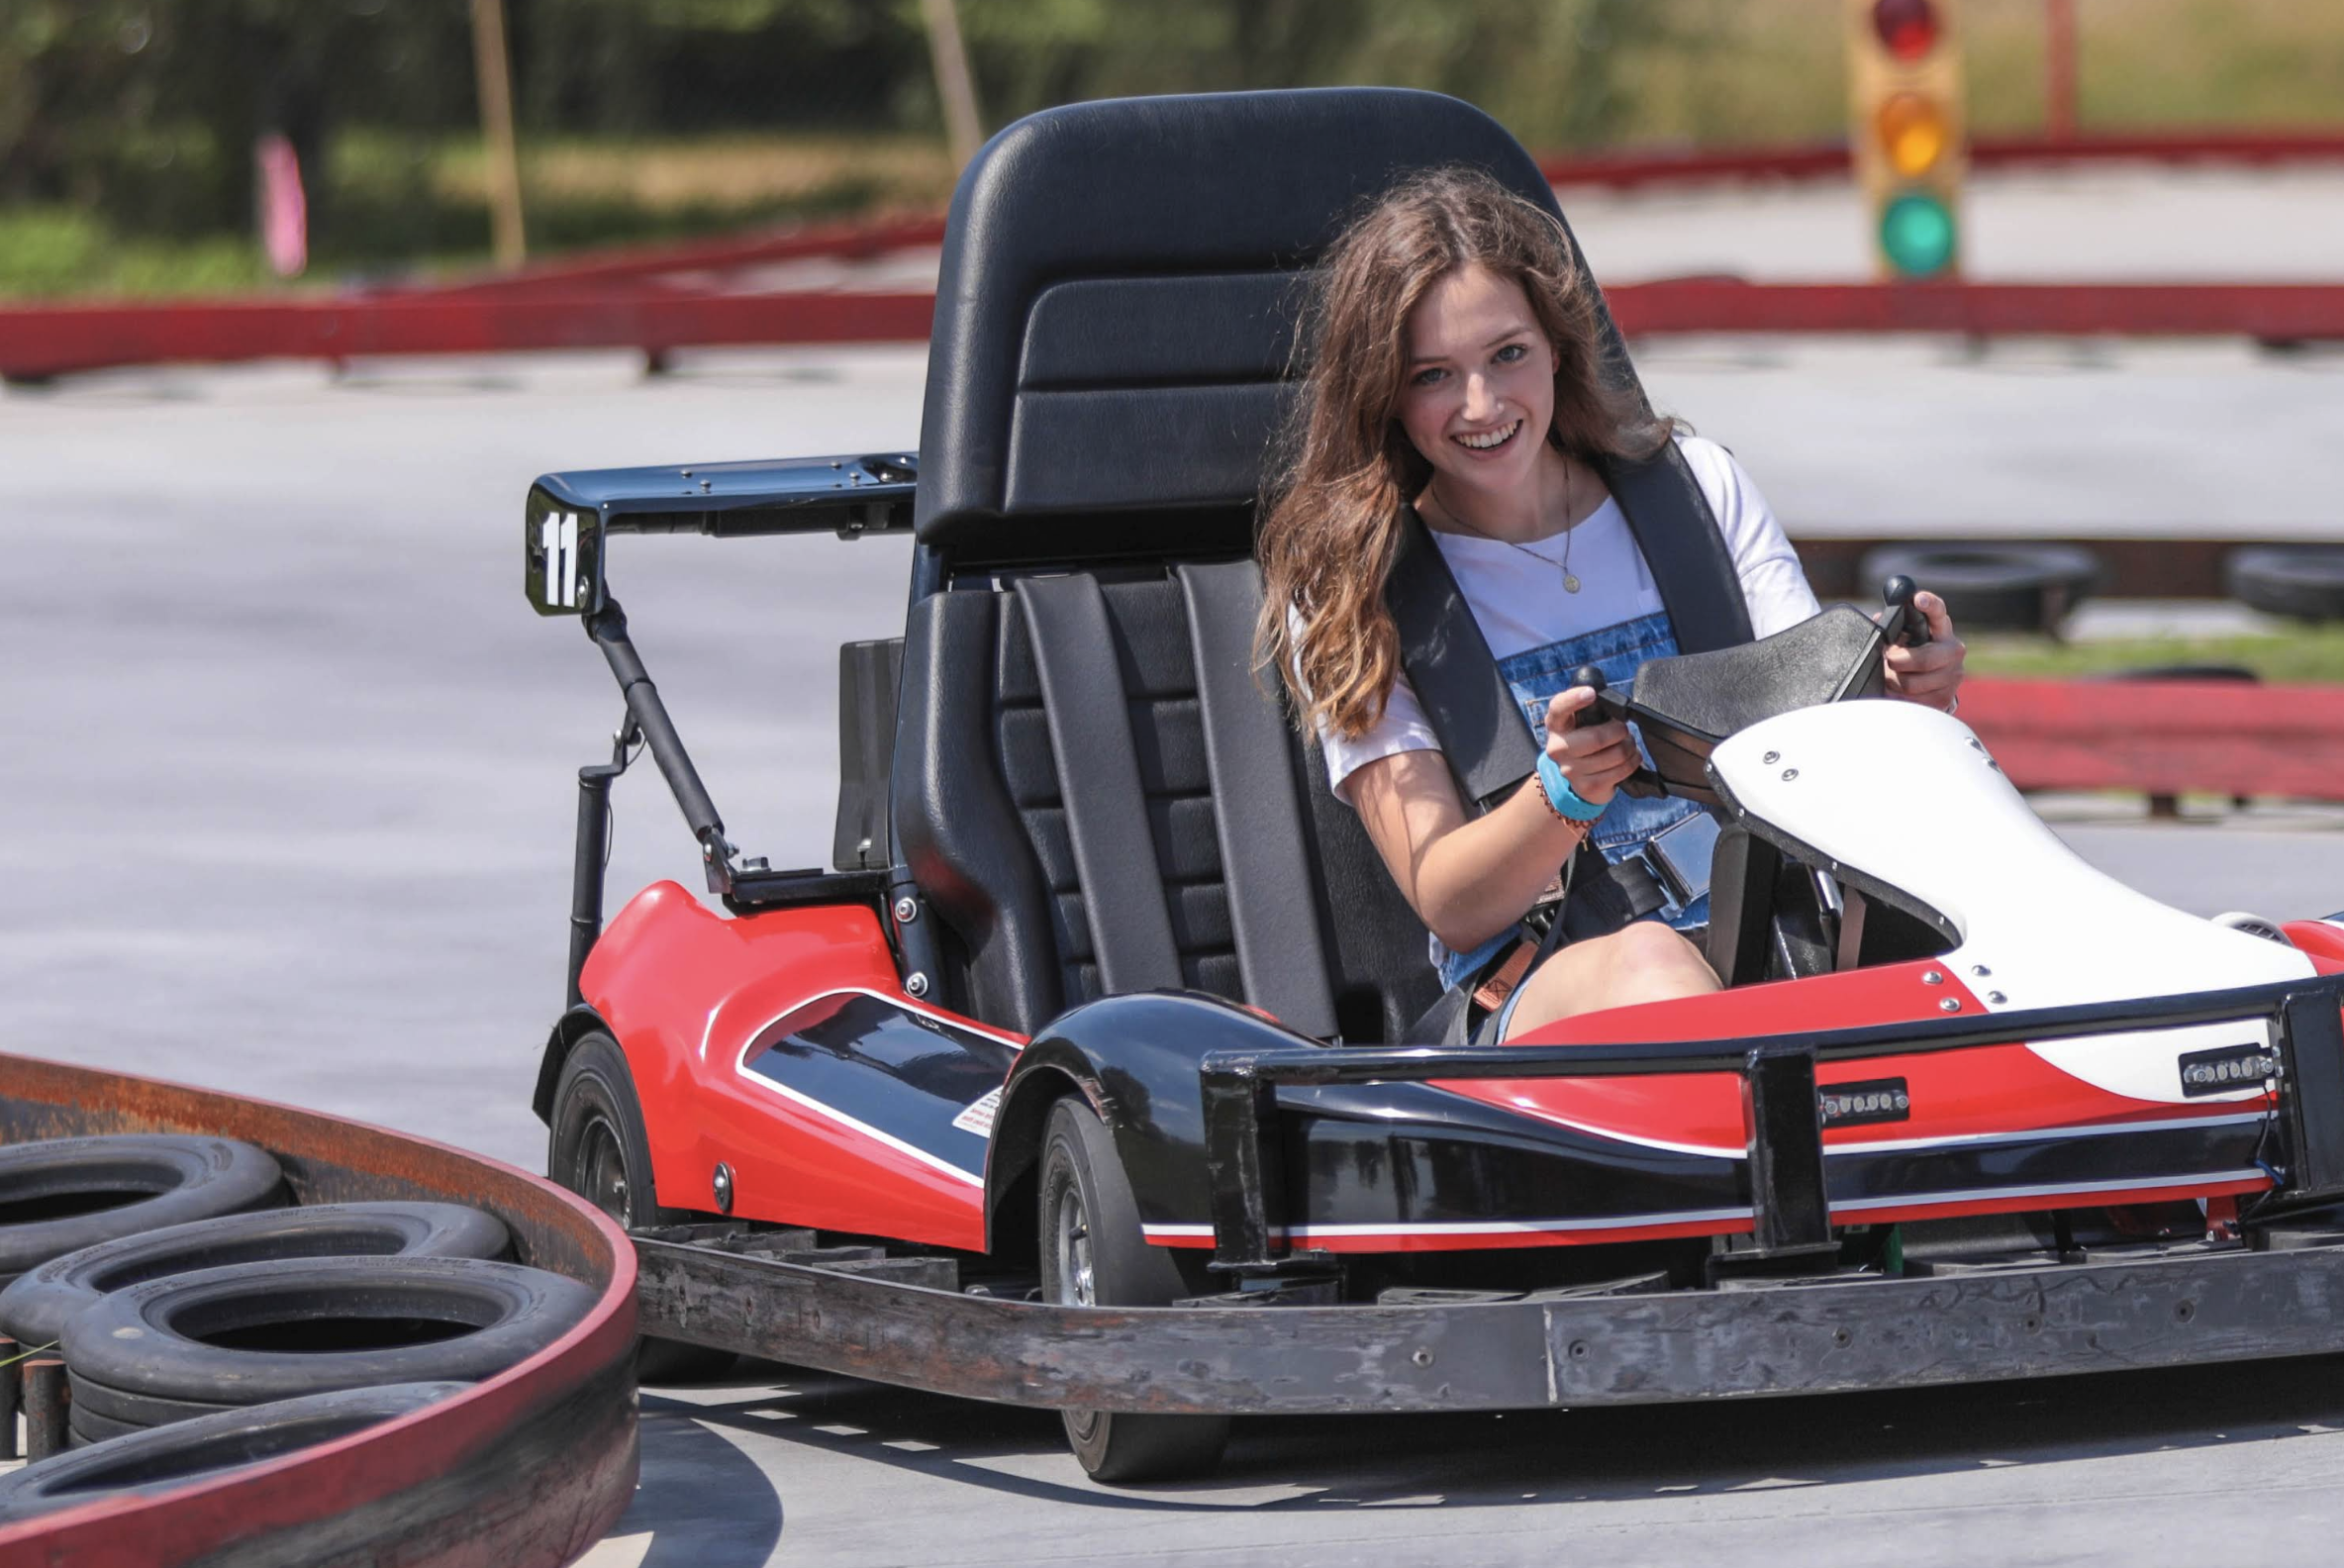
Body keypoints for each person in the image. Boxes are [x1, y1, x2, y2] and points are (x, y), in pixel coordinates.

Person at [1255, 167, 1967, 1041]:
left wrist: (1903, 702)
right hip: (1546, 978)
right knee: (1655, 968)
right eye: (1434, 375)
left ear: (1558, 344)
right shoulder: (1354, 586)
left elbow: (1821, 753)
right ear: (1386, 395)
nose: (1481, 405)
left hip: (1770, 934)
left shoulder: (1697, 491)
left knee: (1970, 930)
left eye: (1507, 355)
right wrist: (1563, 793)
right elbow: (1451, 902)